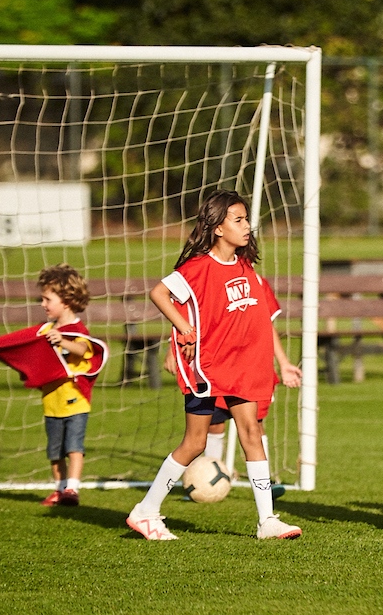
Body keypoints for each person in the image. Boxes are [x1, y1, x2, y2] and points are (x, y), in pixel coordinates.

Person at [126, 189, 302, 541]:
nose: (247, 226)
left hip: (242, 368)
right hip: (207, 369)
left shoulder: (246, 266)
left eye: (247, 219)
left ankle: (267, 520)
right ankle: (146, 511)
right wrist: (184, 329)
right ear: (218, 228)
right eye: (238, 220)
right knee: (193, 443)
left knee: (252, 433)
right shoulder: (198, 268)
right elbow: (159, 293)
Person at [0, 265, 108, 507]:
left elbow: (85, 349)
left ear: (66, 300)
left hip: (76, 401)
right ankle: (59, 489)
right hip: (52, 404)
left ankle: (72, 489)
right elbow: (21, 350)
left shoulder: (77, 331)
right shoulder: (46, 330)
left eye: (48, 299)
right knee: (55, 452)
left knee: (74, 448)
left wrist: (64, 341)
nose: (43, 304)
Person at [166, 325, 300, 498]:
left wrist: (283, 362)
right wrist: (173, 346)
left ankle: (264, 484)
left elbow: (266, 323)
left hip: (248, 365)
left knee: (254, 427)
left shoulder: (259, 297)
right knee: (207, 430)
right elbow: (183, 310)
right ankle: (205, 479)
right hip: (212, 364)